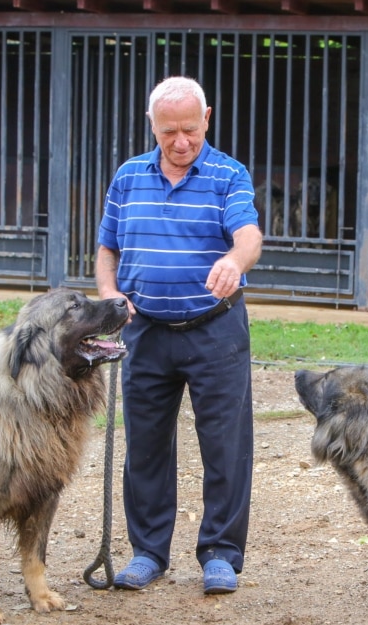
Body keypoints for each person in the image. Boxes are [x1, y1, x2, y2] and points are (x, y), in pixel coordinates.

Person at [94, 76, 262, 595]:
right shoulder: (127, 178)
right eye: (169, 131)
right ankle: (148, 552)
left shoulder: (228, 175)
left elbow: (249, 236)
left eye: (190, 128)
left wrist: (234, 261)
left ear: (207, 118)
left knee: (225, 446)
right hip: (144, 331)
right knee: (143, 446)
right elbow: (107, 250)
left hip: (216, 331)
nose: (181, 140)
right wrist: (109, 297)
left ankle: (220, 554)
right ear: (153, 126)